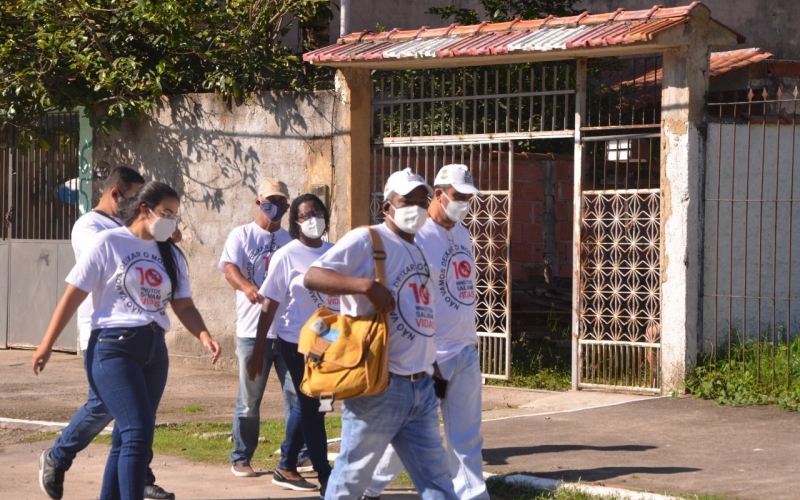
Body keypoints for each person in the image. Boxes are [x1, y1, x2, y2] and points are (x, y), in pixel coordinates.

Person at [31, 181, 221, 500]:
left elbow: (184, 305)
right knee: (137, 431)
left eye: (175, 215)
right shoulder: (108, 242)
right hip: (112, 347)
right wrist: (46, 344)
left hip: (154, 350)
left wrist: (203, 334)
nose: (171, 221)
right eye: (166, 213)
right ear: (144, 210)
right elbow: (72, 296)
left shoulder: (170, 255)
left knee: (127, 438)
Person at [304, 168, 458, 500]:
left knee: (438, 483)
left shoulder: (418, 248)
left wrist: (432, 366)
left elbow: (420, 315)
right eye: (406, 201)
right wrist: (364, 286)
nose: (415, 209)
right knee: (351, 478)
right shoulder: (367, 239)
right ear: (386, 207)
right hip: (379, 387)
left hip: (420, 388)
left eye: (422, 201)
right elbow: (314, 276)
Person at [361, 164, 488, 500]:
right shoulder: (417, 235)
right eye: (458, 197)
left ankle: (473, 495)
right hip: (431, 354)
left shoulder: (461, 232)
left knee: (467, 436)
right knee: (410, 435)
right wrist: (423, 357)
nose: (464, 204)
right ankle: (366, 487)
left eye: (468, 199)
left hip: (464, 350)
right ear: (439, 194)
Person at [219, 178, 309, 477]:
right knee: (249, 399)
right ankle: (241, 457)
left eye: (282, 202)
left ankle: (296, 456)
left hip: (286, 332)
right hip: (250, 331)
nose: (277, 206)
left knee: (297, 395)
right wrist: (247, 287)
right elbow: (229, 268)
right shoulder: (242, 235)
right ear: (259, 202)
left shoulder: (290, 240)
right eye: (270, 200)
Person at [247, 194, 335, 496]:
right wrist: (258, 350)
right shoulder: (287, 255)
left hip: (328, 342)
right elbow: (269, 305)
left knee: (320, 405)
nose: (314, 219)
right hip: (295, 342)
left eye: (318, 212)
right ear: (296, 222)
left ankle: (286, 464)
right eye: (306, 215)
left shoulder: (335, 252)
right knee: (312, 404)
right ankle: (326, 476)